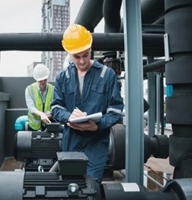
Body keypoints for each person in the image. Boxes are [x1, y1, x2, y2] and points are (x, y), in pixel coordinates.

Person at [51, 24, 124, 183]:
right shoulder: (63, 77)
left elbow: (116, 110)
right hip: (71, 142)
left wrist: (97, 126)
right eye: (77, 57)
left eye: (86, 54)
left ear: (91, 48)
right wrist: (69, 117)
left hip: (96, 143)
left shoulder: (107, 75)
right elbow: (56, 107)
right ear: (69, 54)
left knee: (91, 186)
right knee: (71, 185)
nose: (82, 60)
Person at [25, 64, 54, 131]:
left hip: (49, 124)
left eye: (45, 80)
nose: (43, 82)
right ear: (36, 79)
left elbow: (56, 105)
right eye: (41, 81)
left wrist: (51, 113)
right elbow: (31, 107)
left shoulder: (53, 89)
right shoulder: (29, 89)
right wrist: (41, 114)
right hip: (33, 126)